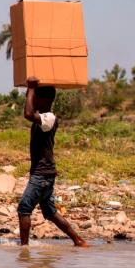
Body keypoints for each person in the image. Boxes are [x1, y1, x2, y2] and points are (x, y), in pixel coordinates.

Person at [18, 76, 88, 247]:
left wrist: (31, 88)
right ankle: (78, 241)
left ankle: (24, 250)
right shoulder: (42, 117)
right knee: (50, 212)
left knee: (24, 209)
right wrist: (30, 88)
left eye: (36, 97)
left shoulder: (49, 119)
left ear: (45, 100)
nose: (33, 100)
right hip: (44, 174)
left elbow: (27, 113)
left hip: (42, 175)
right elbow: (30, 110)